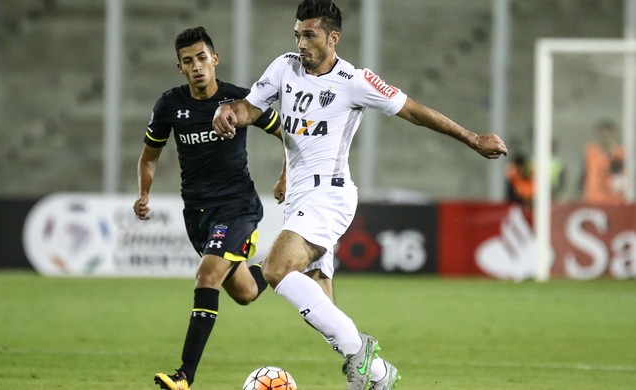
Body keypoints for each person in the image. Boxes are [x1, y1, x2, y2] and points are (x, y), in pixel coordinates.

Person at [212, 1, 508, 389]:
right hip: (301, 198)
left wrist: (472, 139)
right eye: (298, 34)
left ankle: (360, 351)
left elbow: (415, 111)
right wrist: (227, 111)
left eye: (310, 35)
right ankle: (379, 376)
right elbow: (250, 108)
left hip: (329, 197)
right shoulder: (284, 66)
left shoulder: (356, 80)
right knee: (322, 307)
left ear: (333, 38)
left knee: (275, 268)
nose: (301, 42)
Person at [133, 26, 282, 390]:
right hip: (196, 213)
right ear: (180, 67)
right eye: (188, 61)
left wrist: (285, 176)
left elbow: (289, 135)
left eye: (202, 58)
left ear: (214, 59)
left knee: (207, 276)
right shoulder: (169, 105)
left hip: (237, 207)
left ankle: (185, 376)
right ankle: (287, 266)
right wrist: (144, 194)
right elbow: (150, 157)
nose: (197, 66)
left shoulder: (239, 100)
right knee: (245, 293)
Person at [580, 119, 625, 204]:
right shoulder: (591, 152)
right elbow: (584, 173)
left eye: (608, 134)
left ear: (613, 134)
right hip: (593, 197)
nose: (605, 137)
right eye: (603, 134)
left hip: (616, 199)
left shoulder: (621, 153)